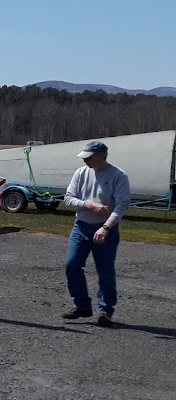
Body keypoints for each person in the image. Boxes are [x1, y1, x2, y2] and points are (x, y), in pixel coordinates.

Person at [62, 140, 131, 327]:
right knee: (72, 265)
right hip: (81, 226)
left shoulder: (118, 176)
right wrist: (89, 205)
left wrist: (106, 227)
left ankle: (106, 311)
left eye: (89, 157)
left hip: (106, 229)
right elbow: (68, 198)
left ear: (101, 156)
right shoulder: (81, 173)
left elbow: (122, 205)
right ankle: (82, 305)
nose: (85, 161)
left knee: (105, 271)